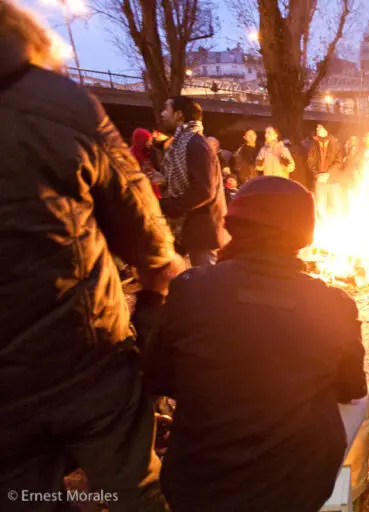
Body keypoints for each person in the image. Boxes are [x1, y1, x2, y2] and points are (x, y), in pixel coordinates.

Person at [0, 3, 185, 510]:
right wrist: (152, 302)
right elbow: (148, 239)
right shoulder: (61, 103)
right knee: (137, 488)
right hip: (87, 362)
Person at [143, 177, 367, 511]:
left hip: (197, 487)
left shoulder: (190, 287)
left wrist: (149, 298)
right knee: (362, 403)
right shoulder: (335, 304)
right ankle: (348, 500)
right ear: (303, 234)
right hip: (299, 490)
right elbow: (351, 387)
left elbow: (157, 377)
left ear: (235, 224)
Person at [159, 96, 228, 267]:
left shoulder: (195, 144)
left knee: (207, 289)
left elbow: (203, 191)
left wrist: (167, 206)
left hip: (204, 233)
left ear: (179, 115)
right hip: (197, 230)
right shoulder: (187, 143)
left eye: (166, 110)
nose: (162, 114)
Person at [308, 124, 344, 218]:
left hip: (333, 180)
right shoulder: (314, 144)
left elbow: (339, 161)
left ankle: (336, 225)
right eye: (317, 127)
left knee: (335, 205)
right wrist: (317, 175)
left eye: (320, 127)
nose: (317, 129)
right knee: (320, 206)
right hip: (320, 181)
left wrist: (328, 174)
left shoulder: (335, 143)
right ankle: (324, 226)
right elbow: (310, 162)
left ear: (326, 129)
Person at [207, 136, 237, 204]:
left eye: (215, 145)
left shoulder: (219, 157)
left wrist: (231, 178)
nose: (215, 147)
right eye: (210, 144)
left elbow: (225, 169)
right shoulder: (201, 157)